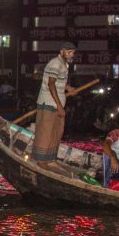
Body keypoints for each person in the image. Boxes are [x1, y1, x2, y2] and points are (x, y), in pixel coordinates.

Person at [32, 42, 76, 173]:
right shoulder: (55, 63)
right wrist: (59, 106)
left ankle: (50, 159)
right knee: (46, 132)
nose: (72, 55)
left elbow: (57, 82)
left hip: (58, 103)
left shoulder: (64, 64)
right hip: (49, 103)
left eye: (73, 52)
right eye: (69, 52)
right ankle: (41, 161)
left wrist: (68, 88)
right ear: (62, 51)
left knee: (57, 131)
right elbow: (51, 84)